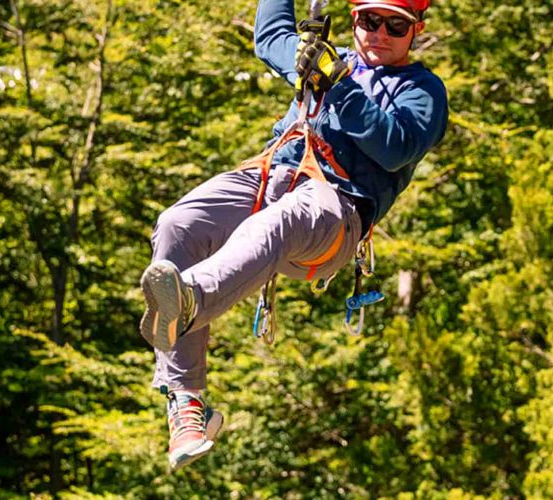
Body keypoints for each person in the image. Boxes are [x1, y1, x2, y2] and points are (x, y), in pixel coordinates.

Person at [139, 0, 448, 471]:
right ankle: (187, 404)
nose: (380, 33)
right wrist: (323, 67)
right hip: (273, 175)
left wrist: (337, 84)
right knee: (178, 224)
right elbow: (270, 39)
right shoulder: (322, 60)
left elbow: (395, 146)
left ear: (415, 31)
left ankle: (191, 299)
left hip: (336, 209)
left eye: (395, 26)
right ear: (355, 20)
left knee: (277, 222)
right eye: (370, 21)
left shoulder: (422, 91)